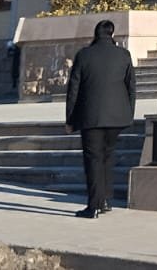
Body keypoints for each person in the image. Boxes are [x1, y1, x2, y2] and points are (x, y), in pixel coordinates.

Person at [65, 19, 136, 218]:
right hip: (117, 118)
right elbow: (131, 87)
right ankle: (105, 200)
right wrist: (129, 113)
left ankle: (93, 205)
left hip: (91, 117)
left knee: (93, 160)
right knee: (108, 157)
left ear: (95, 34)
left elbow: (73, 90)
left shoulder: (84, 55)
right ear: (112, 34)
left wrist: (70, 119)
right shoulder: (123, 55)